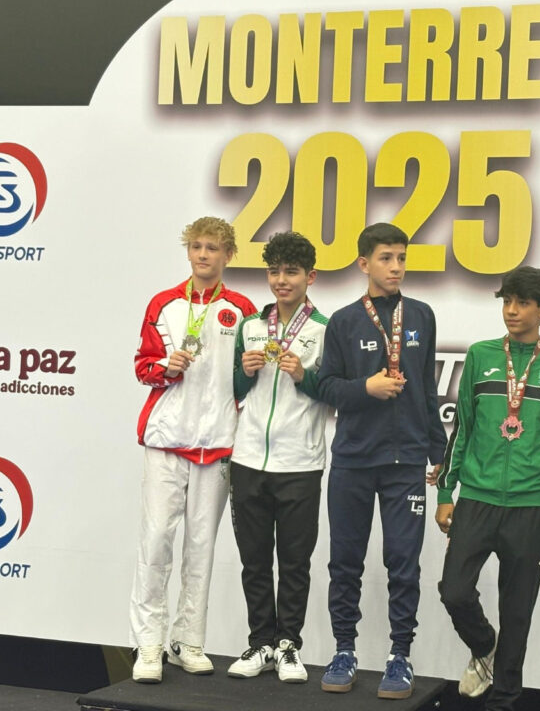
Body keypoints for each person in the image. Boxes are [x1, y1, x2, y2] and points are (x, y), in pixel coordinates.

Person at [434, 265, 540, 711]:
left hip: (531, 505)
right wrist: (445, 492)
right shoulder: (480, 355)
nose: (512, 311)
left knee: (517, 613)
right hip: (477, 499)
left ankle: (503, 702)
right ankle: (485, 647)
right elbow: (462, 428)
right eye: (507, 301)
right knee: (454, 591)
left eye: (523, 303)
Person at [317, 222, 446, 700]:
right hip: (353, 459)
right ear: (363, 263)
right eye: (386, 258)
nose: (396, 267)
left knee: (403, 563)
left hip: (406, 461)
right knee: (345, 562)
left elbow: (428, 390)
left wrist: (439, 452)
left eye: (402, 258)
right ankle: (344, 650)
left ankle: (400, 656)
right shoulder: (344, 321)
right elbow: (326, 387)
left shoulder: (422, 315)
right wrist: (365, 389)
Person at [129, 217, 256, 683]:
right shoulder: (163, 304)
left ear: (228, 255)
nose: (204, 255)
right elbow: (142, 367)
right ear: (188, 251)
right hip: (166, 439)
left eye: (214, 248)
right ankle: (148, 644)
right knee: (156, 541)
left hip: (218, 443)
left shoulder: (242, 310)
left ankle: (189, 640)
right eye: (197, 246)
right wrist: (166, 366)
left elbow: (248, 379)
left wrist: (251, 370)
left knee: (201, 548)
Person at [226, 232, 329, 684]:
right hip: (248, 458)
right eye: (274, 271)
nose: (281, 280)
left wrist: (305, 376)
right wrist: (243, 372)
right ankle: (260, 643)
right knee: (253, 560)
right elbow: (233, 389)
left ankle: (288, 646)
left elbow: (333, 392)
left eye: (291, 272)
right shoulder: (250, 325)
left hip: (300, 462)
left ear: (311, 276)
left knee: (294, 562)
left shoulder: (325, 330)